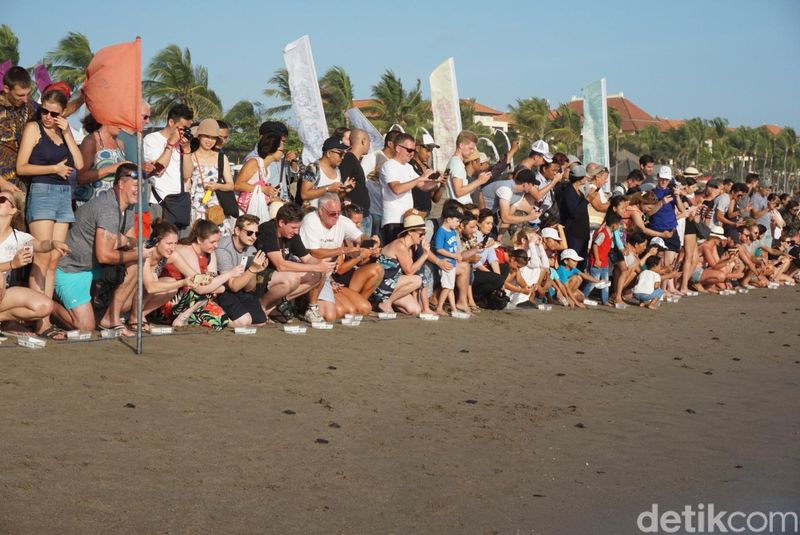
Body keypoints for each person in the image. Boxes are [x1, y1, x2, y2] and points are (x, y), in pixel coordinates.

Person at [16, 88, 84, 337]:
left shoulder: (64, 132)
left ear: (63, 113)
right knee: (42, 257)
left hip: (64, 195)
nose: (46, 116)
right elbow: (21, 166)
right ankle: (41, 320)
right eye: (44, 110)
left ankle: (42, 316)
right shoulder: (34, 129)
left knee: (54, 258)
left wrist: (66, 131)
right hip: (42, 192)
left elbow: (79, 164)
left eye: (53, 113)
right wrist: (53, 168)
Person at [53, 164, 143, 337]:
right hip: (71, 268)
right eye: (136, 186)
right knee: (85, 327)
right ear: (121, 184)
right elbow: (104, 255)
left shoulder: (129, 207)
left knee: (136, 263)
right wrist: (138, 253)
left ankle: (111, 318)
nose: (139, 190)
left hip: (93, 268)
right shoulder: (108, 207)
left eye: (142, 186)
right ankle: (48, 306)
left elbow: (133, 241)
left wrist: (126, 241)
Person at [1, 67, 82, 193]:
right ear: (6, 89)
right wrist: (1, 183)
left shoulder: (29, 106)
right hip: (3, 185)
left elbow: (57, 111)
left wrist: (83, 98)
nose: (25, 99)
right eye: (20, 95)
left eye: (28, 94)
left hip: (23, 187)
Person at [254, 202, 336, 324]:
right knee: (292, 279)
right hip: (258, 275)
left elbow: (307, 258)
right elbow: (280, 265)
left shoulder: (292, 234)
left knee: (317, 275)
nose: (297, 232)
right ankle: (261, 307)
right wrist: (316, 266)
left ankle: (273, 306)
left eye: (298, 228)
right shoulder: (267, 230)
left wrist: (325, 264)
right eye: (293, 227)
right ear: (281, 223)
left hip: (276, 276)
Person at [0, 190, 69, 331]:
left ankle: (2, 318)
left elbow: (38, 245)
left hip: (2, 293)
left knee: (45, 306)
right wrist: (12, 264)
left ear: (13, 210)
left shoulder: (18, 237)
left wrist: (53, 244)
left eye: (1, 199)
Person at [299, 193, 376, 319]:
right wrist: (343, 250)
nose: (336, 216)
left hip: (328, 277)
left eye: (339, 213)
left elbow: (359, 237)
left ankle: (321, 299)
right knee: (335, 314)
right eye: (332, 213)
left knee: (362, 309)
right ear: (321, 211)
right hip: (310, 272)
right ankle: (306, 304)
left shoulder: (342, 221)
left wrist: (371, 242)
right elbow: (314, 252)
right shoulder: (311, 221)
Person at [150, 219, 237, 330]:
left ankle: (185, 317)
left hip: (192, 299)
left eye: (217, 241)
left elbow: (211, 280)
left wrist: (218, 287)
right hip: (173, 298)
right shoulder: (187, 250)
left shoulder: (210, 253)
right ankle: (180, 318)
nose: (216, 245)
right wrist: (229, 275)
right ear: (200, 240)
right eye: (212, 242)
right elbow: (200, 285)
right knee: (203, 289)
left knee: (220, 322)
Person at [127, 219, 198, 331]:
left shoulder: (170, 254)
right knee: (154, 281)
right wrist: (183, 282)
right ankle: (135, 316)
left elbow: (194, 275)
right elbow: (151, 287)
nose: (173, 248)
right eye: (169, 243)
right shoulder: (145, 251)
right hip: (126, 294)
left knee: (170, 284)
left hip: (138, 297)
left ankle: (138, 315)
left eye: (175, 243)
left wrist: (208, 279)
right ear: (156, 241)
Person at [213, 215, 270, 327]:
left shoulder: (251, 249)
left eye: (256, 234)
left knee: (260, 321)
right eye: (249, 233)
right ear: (237, 230)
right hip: (221, 290)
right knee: (244, 321)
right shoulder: (223, 248)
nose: (254, 237)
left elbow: (249, 288)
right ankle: (215, 316)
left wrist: (254, 271)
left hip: (239, 289)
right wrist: (252, 269)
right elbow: (232, 286)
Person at [380, 133, 436, 243]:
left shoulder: (408, 167)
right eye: (409, 150)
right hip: (393, 220)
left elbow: (423, 187)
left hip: (408, 220)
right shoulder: (389, 165)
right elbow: (396, 189)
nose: (412, 154)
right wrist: (420, 178)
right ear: (397, 148)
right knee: (394, 257)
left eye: (413, 151)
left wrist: (437, 181)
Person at [143, 103, 194, 224]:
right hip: (159, 203)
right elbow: (158, 171)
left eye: (187, 129)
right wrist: (170, 144)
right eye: (182, 128)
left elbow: (187, 175)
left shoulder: (182, 144)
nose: (184, 132)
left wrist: (186, 149)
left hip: (179, 203)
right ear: (171, 122)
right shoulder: (151, 139)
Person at [371, 211, 428, 315]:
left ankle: (386, 303)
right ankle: (385, 303)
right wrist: (424, 255)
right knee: (416, 280)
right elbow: (409, 271)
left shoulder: (408, 247)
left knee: (415, 310)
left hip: (392, 284)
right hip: (381, 285)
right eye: (421, 234)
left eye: (424, 234)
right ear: (410, 232)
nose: (422, 237)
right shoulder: (400, 245)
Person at [182, 119, 235, 225]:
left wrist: (217, 186)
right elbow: (186, 185)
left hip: (216, 211)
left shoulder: (221, 157)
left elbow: (231, 185)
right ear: (199, 136)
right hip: (196, 209)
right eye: (206, 136)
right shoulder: (191, 157)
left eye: (213, 138)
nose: (209, 141)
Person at [75, 114, 129, 203]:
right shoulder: (91, 141)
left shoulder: (120, 144)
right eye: (118, 122)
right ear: (106, 120)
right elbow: (81, 177)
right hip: (92, 203)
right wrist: (111, 169)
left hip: (114, 202)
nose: (122, 126)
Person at [235, 131, 283, 220]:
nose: (282, 154)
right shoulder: (254, 162)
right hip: (243, 212)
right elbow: (238, 185)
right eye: (281, 150)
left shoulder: (266, 168)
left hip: (254, 211)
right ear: (272, 149)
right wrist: (263, 188)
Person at [433, 204, 470, 316]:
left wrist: (457, 255)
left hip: (452, 263)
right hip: (446, 263)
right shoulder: (441, 231)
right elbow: (438, 249)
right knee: (448, 287)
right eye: (456, 221)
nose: (458, 224)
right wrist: (453, 256)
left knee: (450, 287)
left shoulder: (453, 232)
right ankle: (439, 307)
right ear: (448, 219)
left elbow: (455, 247)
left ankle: (453, 308)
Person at [299, 136, 354, 208]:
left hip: (329, 215)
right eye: (340, 153)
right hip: (314, 215)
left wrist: (344, 191)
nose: (343, 157)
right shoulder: (313, 168)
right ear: (328, 153)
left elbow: (336, 197)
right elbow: (304, 194)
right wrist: (328, 189)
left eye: (344, 154)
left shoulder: (337, 170)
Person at [339, 128, 373, 234]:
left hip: (364, 215)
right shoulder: (348, 160)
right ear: (363, 141)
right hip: (356, 218)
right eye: (369, 141)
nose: (369, 145)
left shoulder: (354, 160)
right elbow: (341, 186)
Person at [583, 212, 621, 305]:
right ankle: (583, 296)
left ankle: (605, 300)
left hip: (604, 262)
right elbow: (595, 245)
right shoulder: (603, 234)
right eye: (618, 224)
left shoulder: (609, 233)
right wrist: (596, 259)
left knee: (606, 283)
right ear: (613, 225)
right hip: (598, 261)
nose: (619, 226)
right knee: (593, 282)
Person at [446, 130, 490, 204]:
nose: (472, 151)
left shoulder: (455, 162)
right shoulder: (457, 164)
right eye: (470, 148)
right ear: (461, 145)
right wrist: (479, 181)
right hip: (460, 210)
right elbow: (459, 192)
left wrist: (479, 182)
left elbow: (463, 191)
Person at [558, 165, 591, 262]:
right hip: (574, 234)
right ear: (581, 178)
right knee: (573, 261)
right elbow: (574, 212)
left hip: (582, 234)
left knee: (581, 262)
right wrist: (586, 200)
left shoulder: (578, 191)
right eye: (585, 177)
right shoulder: (569, 192)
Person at [409, 133, 446, 216]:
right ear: (417, 148)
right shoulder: (409, 166)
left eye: (431, 151)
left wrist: (442, 185)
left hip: (426, 213)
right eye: (427, 150)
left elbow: (435, 199)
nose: (429, 154)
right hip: (413, 213)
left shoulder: (428, 169)